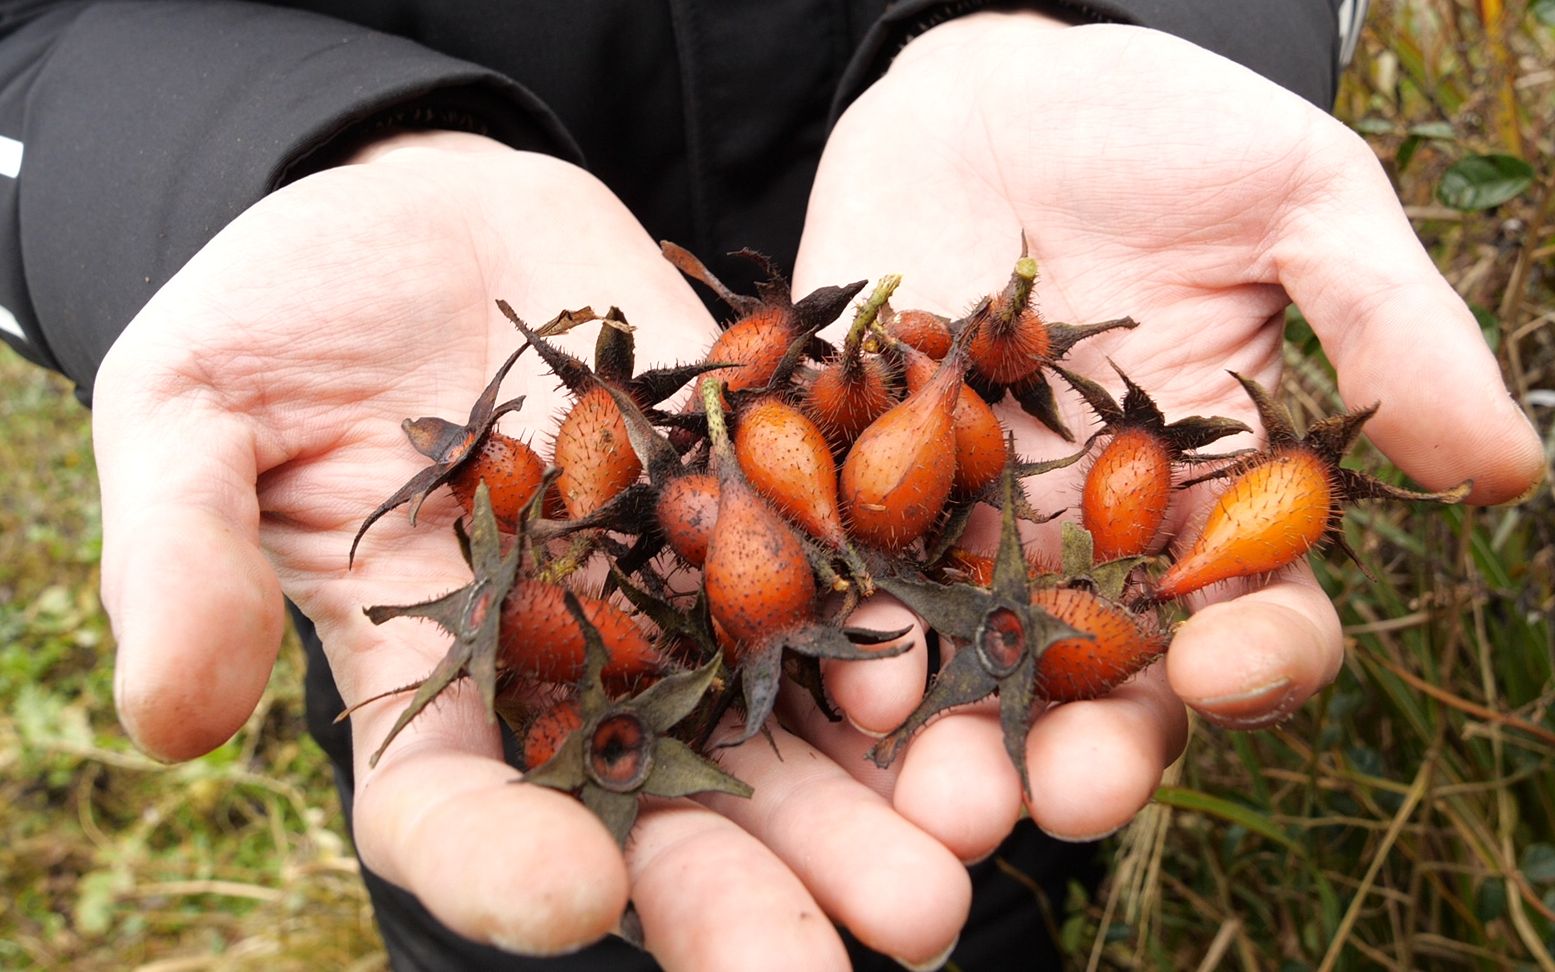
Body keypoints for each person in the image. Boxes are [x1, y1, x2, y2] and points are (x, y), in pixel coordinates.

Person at [0, 2, 1543, 969]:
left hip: (960, 709)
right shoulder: (606, 533)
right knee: (548, 897)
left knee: (983, 862)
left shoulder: (931, 467)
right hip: (571, 712)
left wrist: (1120, 24)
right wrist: (219, 179)